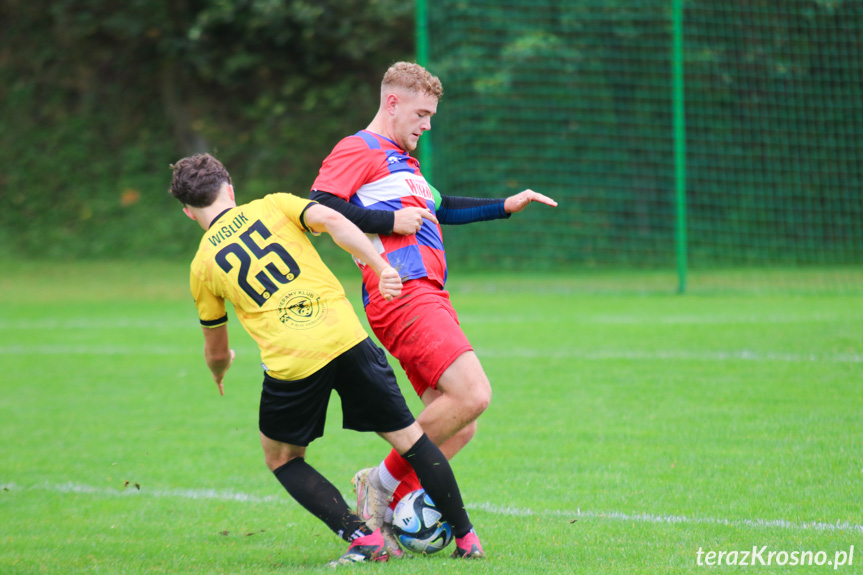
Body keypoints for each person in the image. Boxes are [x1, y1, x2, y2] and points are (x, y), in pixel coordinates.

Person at [168, 153, 484, 566]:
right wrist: (379, 264)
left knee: (281, 458)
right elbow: (335, 221)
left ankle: (362, 539)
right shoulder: (275, 204)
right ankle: (467, 539)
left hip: (293, 362)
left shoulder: (202, 265)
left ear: (188, 213)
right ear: (230, 188)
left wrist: (220, 368)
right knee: (411, 440)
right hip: (347, 336)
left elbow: (215, 348)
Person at [309, 61, 558, 558]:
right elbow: (319, 206)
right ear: (393, 102)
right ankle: (378, 486)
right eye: (421, 113)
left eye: (432, 116)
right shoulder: (359, 148)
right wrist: (390, 220)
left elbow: (441, 209)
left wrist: (505, 206)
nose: (427, 125)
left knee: (461, 424)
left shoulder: (407, 164)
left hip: (430, 294)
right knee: (473, 393)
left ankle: (395, 505)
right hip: (403, 292)